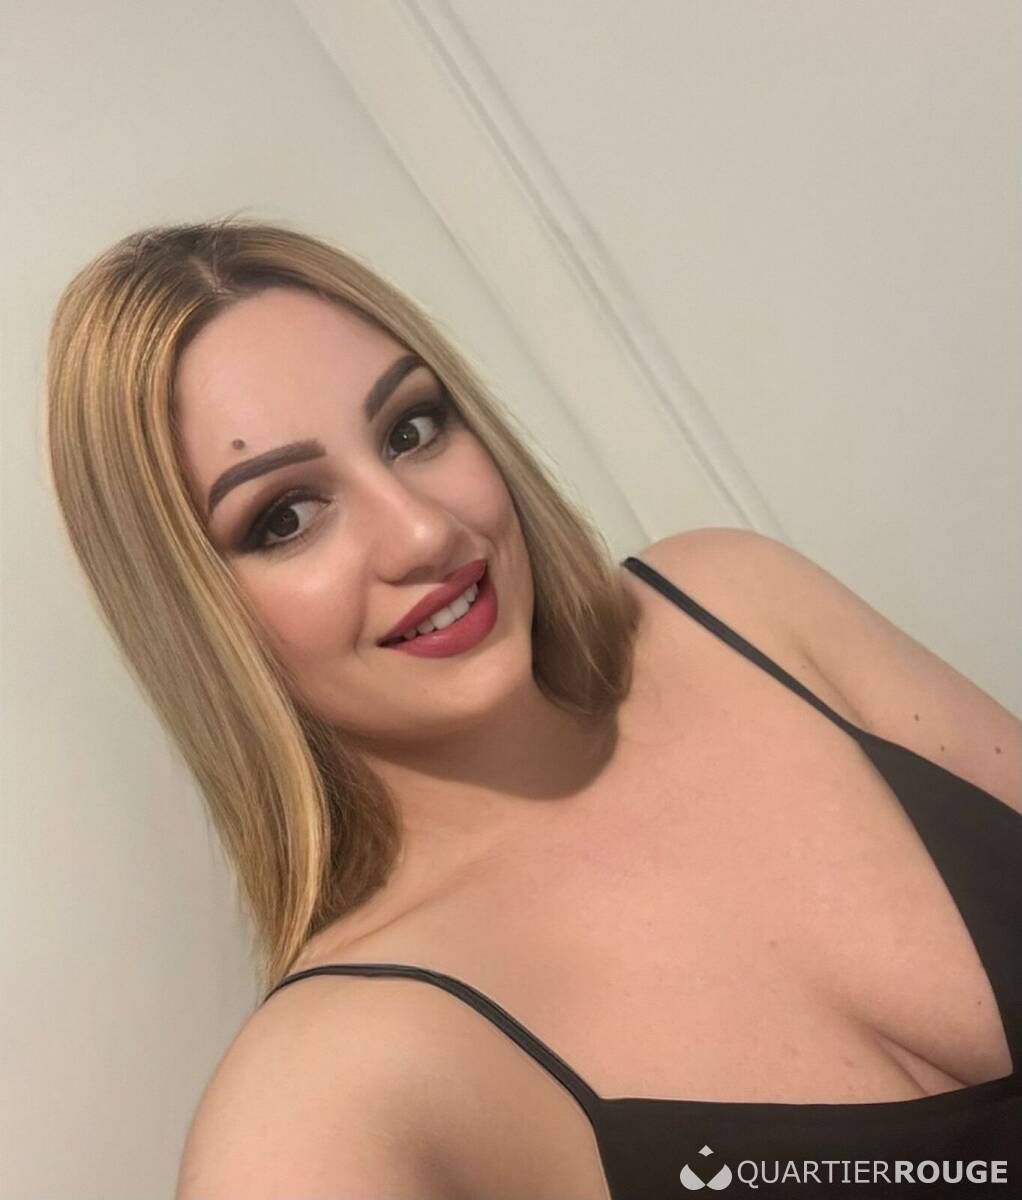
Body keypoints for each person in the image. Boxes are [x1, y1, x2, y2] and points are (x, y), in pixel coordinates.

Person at [46, 219, 1021, 1199]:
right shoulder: (334, 1086)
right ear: (196, 620)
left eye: (410, 431)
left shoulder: (739, 607)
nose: (422, 533)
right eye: (285, 517)